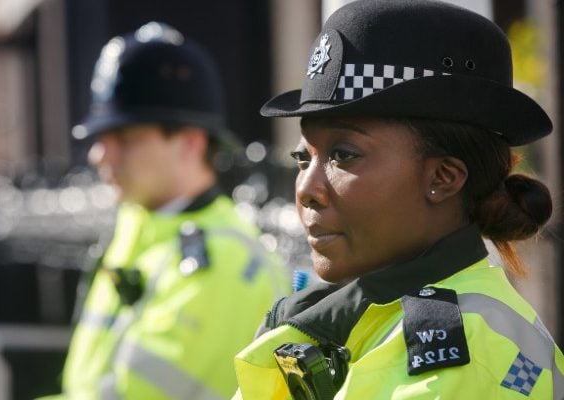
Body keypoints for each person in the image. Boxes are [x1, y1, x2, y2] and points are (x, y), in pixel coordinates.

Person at [232, 1, 564, 399]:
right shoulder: (370, 313)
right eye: (303, 158)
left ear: (443, 178)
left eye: (343, 155)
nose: (306, 189)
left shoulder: (462, 353)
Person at [46, 22, 289, 399]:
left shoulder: (226, 261)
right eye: (99, 139)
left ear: (190, 142)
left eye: (124, 138)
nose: (98, 155)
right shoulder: (139, 227)